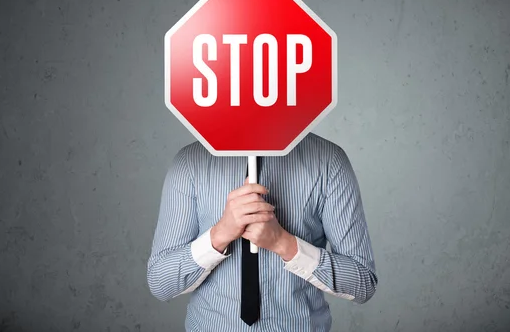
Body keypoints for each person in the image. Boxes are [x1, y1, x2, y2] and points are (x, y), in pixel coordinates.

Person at [147, 132, 378, 331]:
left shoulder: (328, 160)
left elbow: (363, 284)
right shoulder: (191, 161)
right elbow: (161, 284)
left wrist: (284, 243)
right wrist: (219, 235)